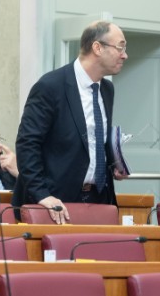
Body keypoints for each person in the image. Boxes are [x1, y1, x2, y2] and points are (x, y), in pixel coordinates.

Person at [13, 20, 129, 224]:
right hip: (55, 200)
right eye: (120, 47)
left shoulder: (107, 90)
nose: (124, 55)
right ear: (97, 47)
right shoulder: (51, 86)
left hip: (99, 198)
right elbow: (27, 143)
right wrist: (42, 195)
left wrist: (112, 163)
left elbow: (92, 139)